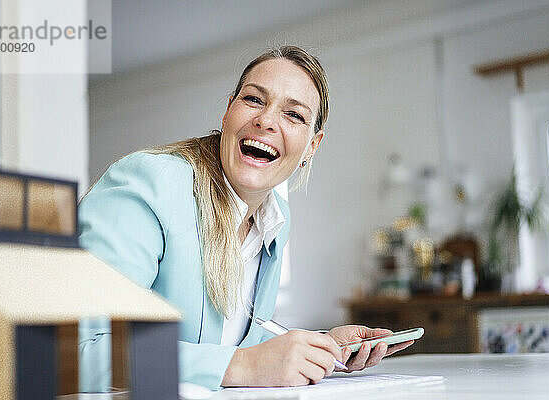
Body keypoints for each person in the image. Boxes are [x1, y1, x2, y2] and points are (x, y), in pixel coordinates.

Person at [79, 45, 413, 391]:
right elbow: (74, 350)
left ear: (312, 146)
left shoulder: (274, 219)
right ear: (228, 111)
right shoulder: (150, 183)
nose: (266, 121)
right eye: (254, 99)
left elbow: (227, 343)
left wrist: (321, 347)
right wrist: (246, 364)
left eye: (294, 115)